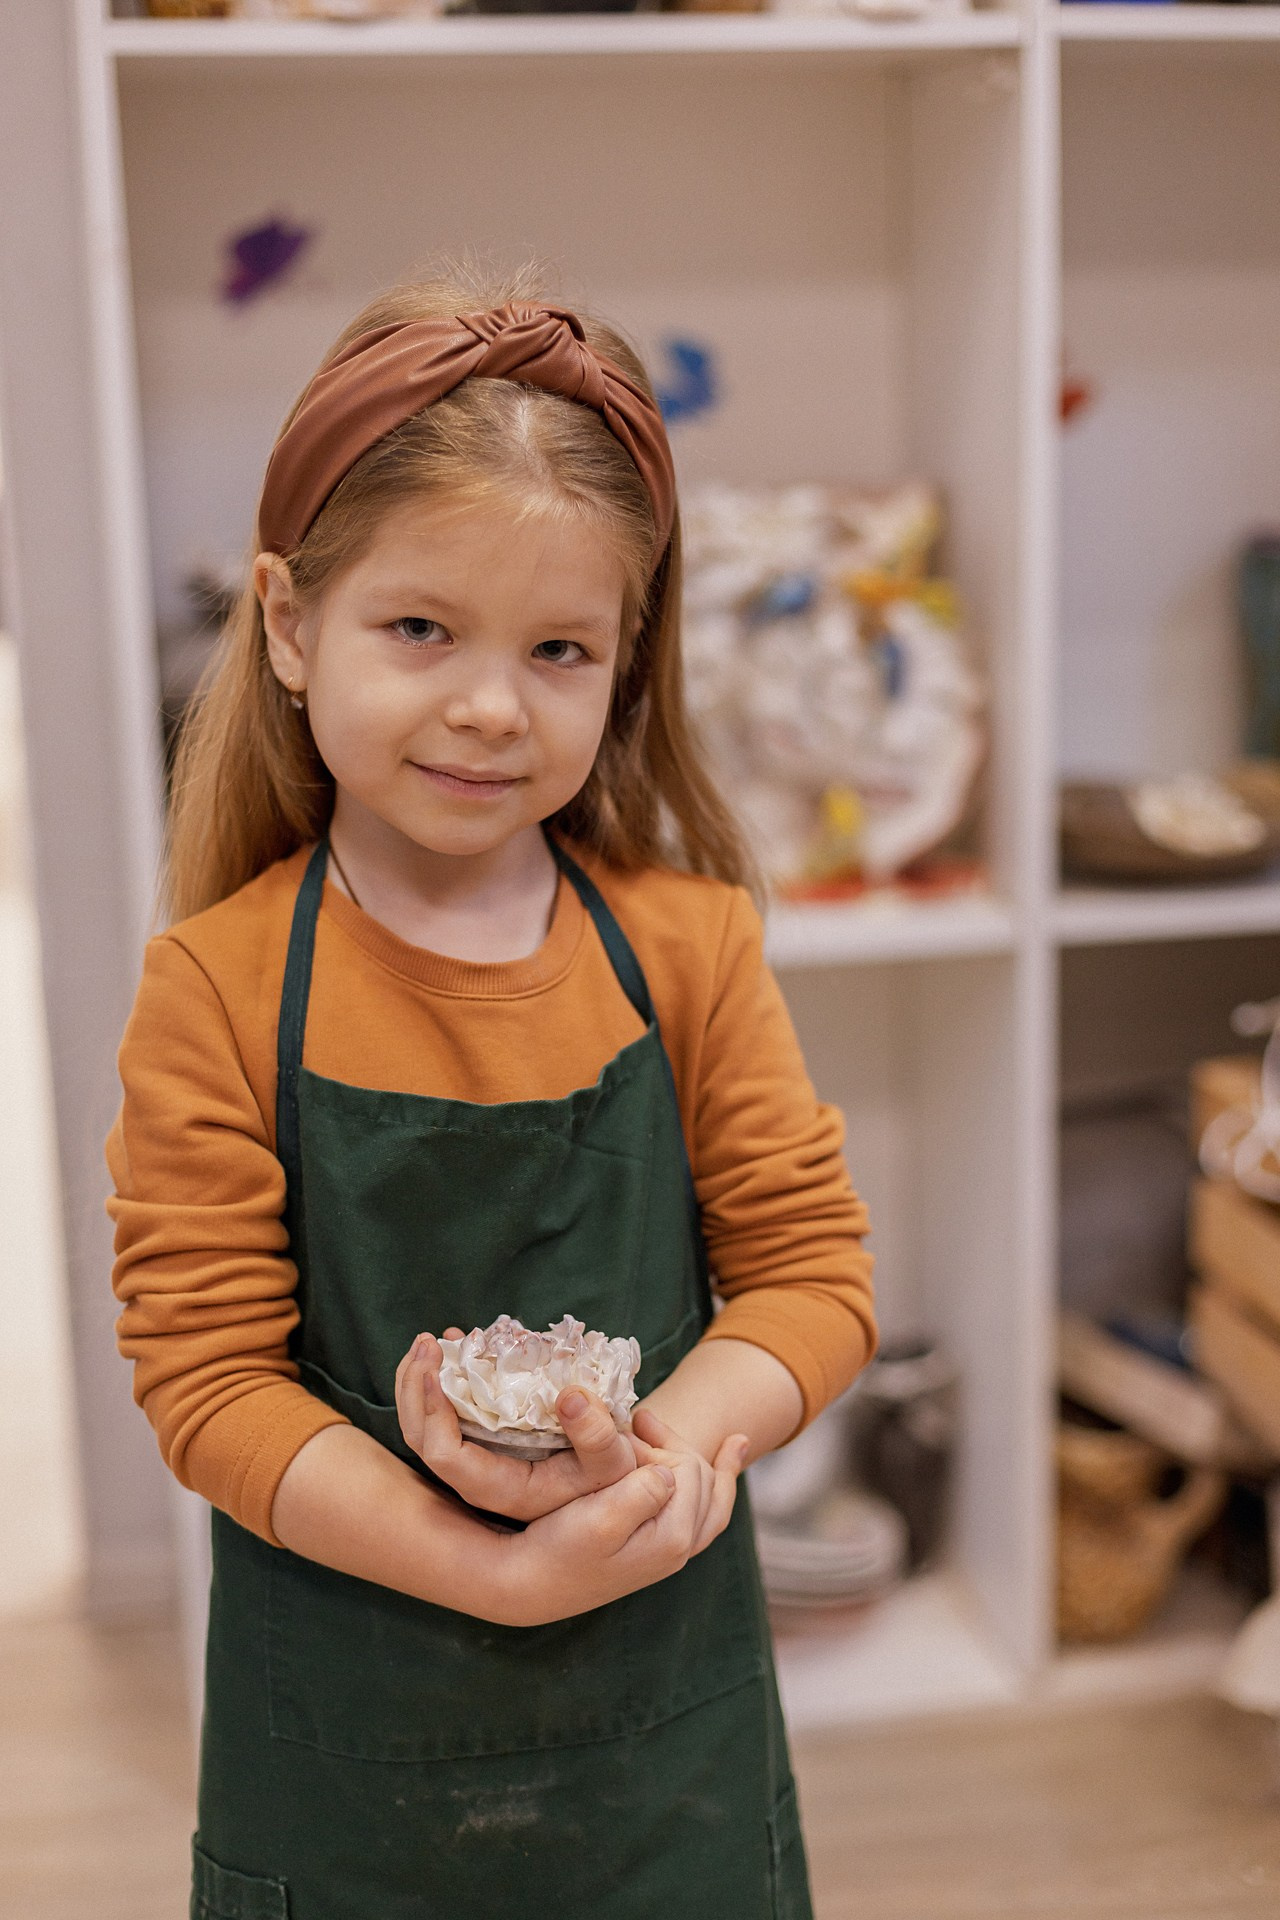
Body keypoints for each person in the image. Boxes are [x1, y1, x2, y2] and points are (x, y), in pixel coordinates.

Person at [106, 262, 877, 1920]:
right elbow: (207, 1378)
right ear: (292, 623)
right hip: (348, 1749)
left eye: (556, 648)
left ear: (623, 664)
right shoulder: (218, 992)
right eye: (419, 627)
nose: (487, 702)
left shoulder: (688, 950)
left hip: (662, 1736)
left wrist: (660, 1454)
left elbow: (812, 1278)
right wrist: (488, 1574)